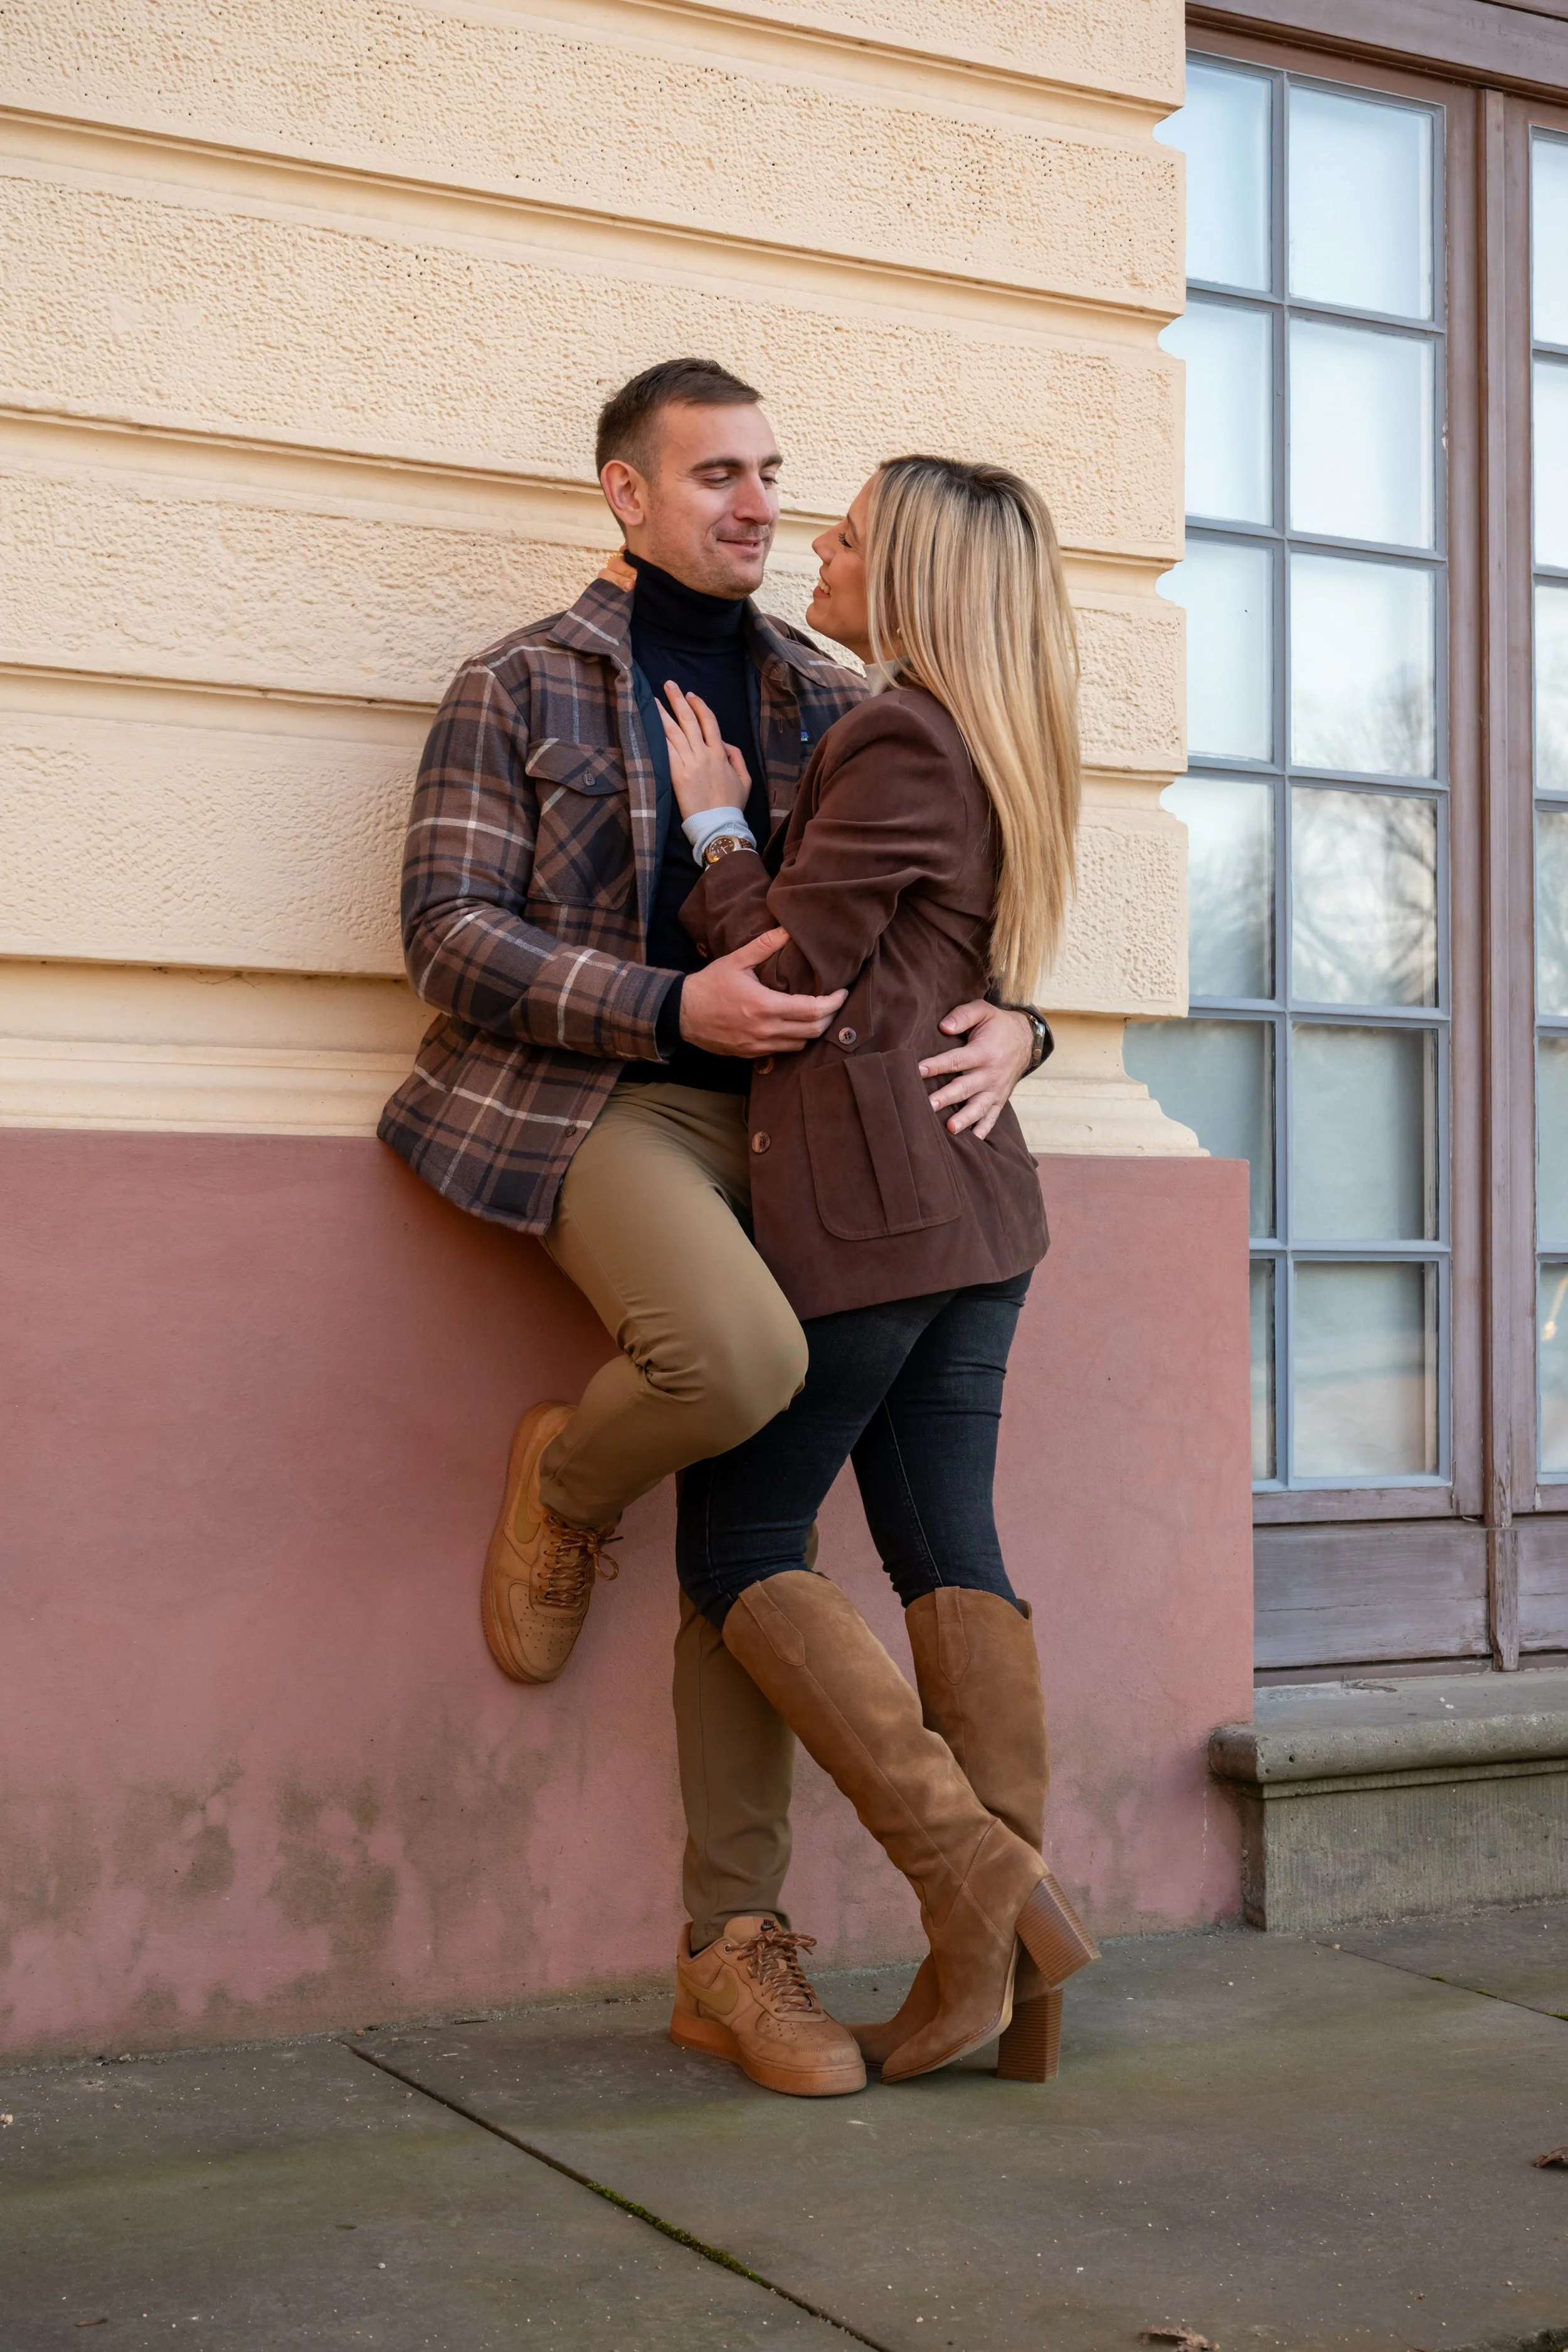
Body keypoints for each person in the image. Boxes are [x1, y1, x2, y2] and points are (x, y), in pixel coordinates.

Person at [379, 363, 1049, 2018]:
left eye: (775, 476)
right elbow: (448, 933)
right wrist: (670, 1006)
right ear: (625, 493)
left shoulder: (837, 693)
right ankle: (570, 1479)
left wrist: (1024, 1021)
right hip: (601, 1099)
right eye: (716, 477)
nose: (759, 508)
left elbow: (923, 908)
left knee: (754, 1524)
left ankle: (733, 1944)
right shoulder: (517, 683)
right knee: (734, 1369)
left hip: (809, 1137)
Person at [657, 455, 1098, 2100]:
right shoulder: (989, 731)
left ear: (904, 575)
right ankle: (999, 1977)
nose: (816, 553)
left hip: (874, 1209)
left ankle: (988, 1888)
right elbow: (944, 970)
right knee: (941, 1546)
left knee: (744, 1535)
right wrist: (1031, 1025)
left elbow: (797, 978)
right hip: (974, 1213)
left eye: (844, 535)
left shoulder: (900, 732)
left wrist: (712, 826)